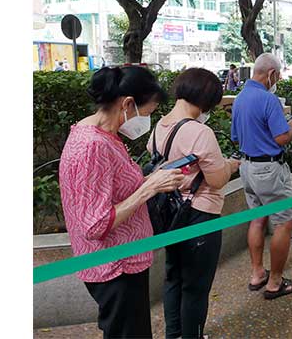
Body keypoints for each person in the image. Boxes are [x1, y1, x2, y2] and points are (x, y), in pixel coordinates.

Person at [59, 66, 185, 339]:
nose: (147, 120)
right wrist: (148, 189)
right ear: (127, 104)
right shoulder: (93, 146)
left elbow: (109, 189)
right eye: (148, 112)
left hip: (120, 262)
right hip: (115, 267)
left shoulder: (99, 134)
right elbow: (95, 224)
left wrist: (151, 180)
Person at [149, 68, 240, 339]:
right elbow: (217, 179)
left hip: (170, 213)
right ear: (206, 100)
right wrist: (230, 165)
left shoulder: (159, 126)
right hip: (199, 214)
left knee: (174, 275)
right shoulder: (200, 132)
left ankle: (174, 334)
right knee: (196, 286)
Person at [231, 53, 292, 300]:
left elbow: (236, 137)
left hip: (247, 167)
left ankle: (257, 273)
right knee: (285, 221)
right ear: (271, 73)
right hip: (269, 170)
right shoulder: (268, 99)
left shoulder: (240, 98)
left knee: (257, 218)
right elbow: (281, 138)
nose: (279, 79)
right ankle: (275, 282)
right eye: (279, 75)